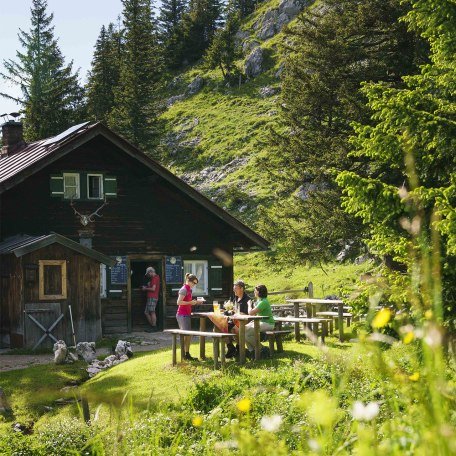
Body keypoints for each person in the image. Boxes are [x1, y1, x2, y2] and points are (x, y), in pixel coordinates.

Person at [245, 284, 275, 360]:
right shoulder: (259, 301)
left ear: (259, 292)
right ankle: (252, 352)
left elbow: (251, 312)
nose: (254, 292)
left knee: (247, 334)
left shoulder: (263, 302)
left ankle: (262, 348)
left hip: (268, 323)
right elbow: (254, 314)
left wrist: (249, 305)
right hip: (260, 321)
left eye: (255, 290)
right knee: (243, 331)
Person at [176, 273, 199, 360]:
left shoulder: (189, 289)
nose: (194, 285)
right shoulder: (184, 289)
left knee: (188, 335)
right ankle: (185, 354)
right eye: (193, 283)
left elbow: (187, 302)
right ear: (188, 281)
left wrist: (196, 302)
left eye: (195, 283)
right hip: (182, 315)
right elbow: (178, 302)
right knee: (186, 335)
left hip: (187, 314)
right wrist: (190, 303)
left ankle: (186, 354)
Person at [226, 280, 251, 358]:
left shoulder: (248, 300)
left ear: (242, 289)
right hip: (234, 321)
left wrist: (238, 314)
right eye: (234, 288)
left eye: (236, 288)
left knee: (234, 329)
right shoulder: (235, 299)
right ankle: (231, 348)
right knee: (219, 327)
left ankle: (239, 348)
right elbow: (234, 311)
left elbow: (248, 315)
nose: (234, 290)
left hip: (243, 322)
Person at [142, 266, 160, 332]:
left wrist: (145, 288)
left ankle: (154, 327)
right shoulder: (154, 278)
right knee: (146, 312)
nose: (148, 275)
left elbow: (153, 289)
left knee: (152, 312)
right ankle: (152, 326)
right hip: (151, 297)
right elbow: (153, 287)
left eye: (148, 274)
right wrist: (148, 285)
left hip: (153, 297)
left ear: (151, 272)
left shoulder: (155, 278)